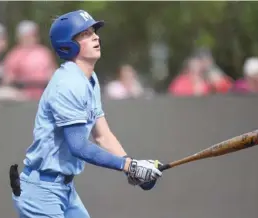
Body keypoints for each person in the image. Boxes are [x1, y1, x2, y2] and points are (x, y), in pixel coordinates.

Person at [10, 10, 162, 218]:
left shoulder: (90, 79)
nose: (95, 36)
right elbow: (78, 146)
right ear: (67, 44)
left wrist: (131, 166)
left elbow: (102, 135)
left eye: (94, 32)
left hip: (64, 189)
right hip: (41, 191)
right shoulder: (68, 83)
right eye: (85, 33)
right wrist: (129, 166)